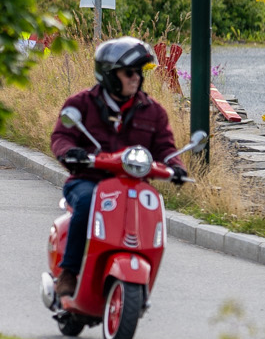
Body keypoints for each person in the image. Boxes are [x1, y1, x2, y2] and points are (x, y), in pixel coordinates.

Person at [48, 37, 181, 303]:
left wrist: (175, 167)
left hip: (133, 184)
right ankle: (69, 272)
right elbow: (61, 136)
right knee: (87, 202)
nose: (136, 78)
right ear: (109, 75)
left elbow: (165, 147)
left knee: (148, 211)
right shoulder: (81, 103)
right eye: (129, 72)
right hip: (89, 180)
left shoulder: (153, 111)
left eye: (139, 72)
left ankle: (141, 277)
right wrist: (69, 153)